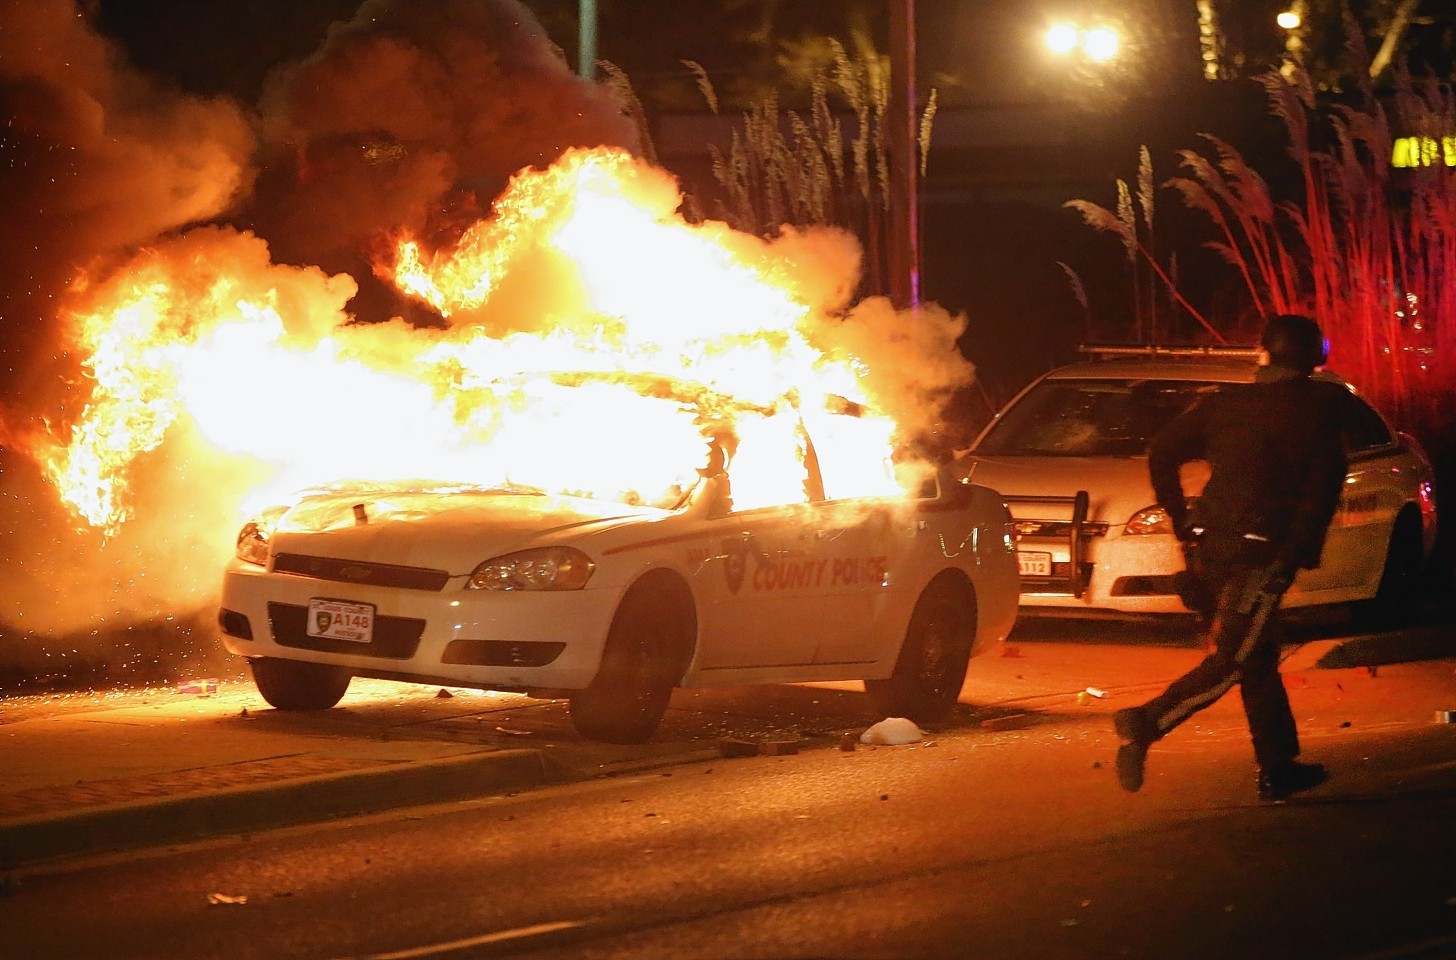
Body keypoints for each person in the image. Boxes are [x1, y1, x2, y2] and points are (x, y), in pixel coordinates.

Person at [1113, 314, 1351, 801]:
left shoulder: (1228, 404)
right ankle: (1145, 724)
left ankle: (1279, 767)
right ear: (1314, 357)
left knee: (1257, 657)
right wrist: (1292, 557)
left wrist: (1183, 523)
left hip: (1214, 547)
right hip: (1263, 555)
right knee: (1235, 659)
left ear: (1264, 353)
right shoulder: (1321, 411)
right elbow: (1318, 495)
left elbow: (1161, 452)